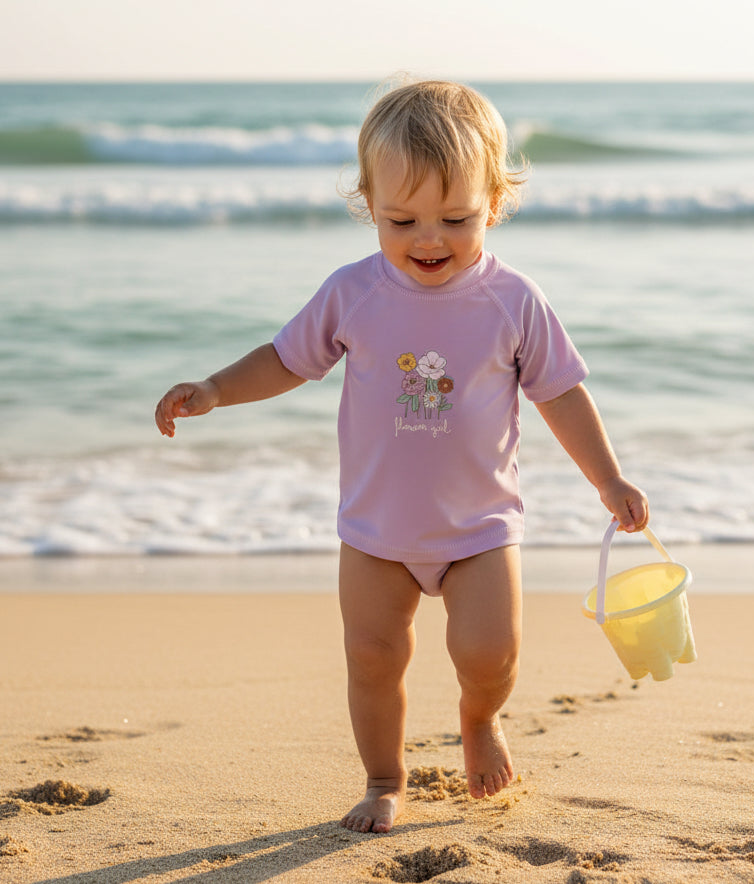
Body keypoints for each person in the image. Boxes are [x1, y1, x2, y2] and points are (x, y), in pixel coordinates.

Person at [154, 79, 649, 835]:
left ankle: (479, 721)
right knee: (372, 659)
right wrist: (217, 388)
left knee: (490, 654)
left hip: (480, 528)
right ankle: (385, 778)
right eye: (402, 219)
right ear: (368, 201)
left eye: (457, 218)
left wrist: (608, 479)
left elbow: (562, 394)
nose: (429, 238)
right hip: (376, 532)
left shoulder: (513, 300)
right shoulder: (353, 293)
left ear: (496, 200)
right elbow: (287, 360)